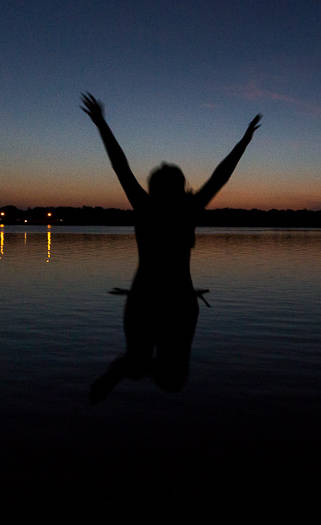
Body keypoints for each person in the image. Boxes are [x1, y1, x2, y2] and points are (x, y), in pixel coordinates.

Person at [81, 92, 260, 402]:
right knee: (169, 379)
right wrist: (244, 140)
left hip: (149, 300)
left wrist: (101, 123)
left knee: (154, 372)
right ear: (179, 187)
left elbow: (120, 166)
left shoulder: (147, 206)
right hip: (172, 302)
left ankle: (132, 368)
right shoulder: (183, 210)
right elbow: (221, 176)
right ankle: (134, 369)